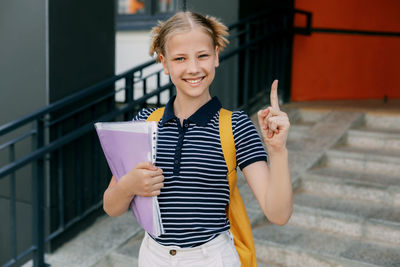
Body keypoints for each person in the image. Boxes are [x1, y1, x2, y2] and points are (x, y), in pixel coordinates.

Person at [103, 11, 292, 267]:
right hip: (152, 257)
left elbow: (278, 214)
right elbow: (111, 207)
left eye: (202, 55)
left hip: (212, 258)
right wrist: (129, 186)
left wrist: (278, 151)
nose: (193, 68)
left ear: (216, 55)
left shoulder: (236, 125)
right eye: (180, 58)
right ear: (164, 63)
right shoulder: (145, 123)